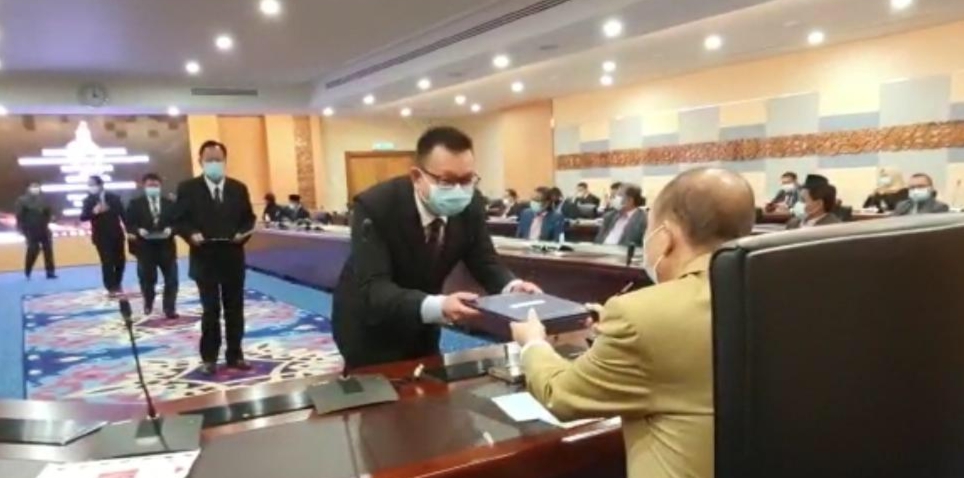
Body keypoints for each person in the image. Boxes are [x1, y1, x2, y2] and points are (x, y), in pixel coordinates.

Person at [510, 167, 756, 478]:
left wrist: (533, 343)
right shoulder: (781, 294)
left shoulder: (639, 314)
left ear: (664, 237)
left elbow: (560, 395)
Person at [331, 126, 541, 369]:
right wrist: (439, 305)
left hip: (424, 323)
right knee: (374, 389)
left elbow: (484, 260)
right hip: (369, 325)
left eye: (467, 179)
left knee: (427, 383)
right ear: (417, 176)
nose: (459, 191)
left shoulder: (471, 204)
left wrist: (512, 287)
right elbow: (374, 287)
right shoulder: (376, 206)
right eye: (446, 181)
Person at [174, 140, 256, 375]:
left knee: (235, 309)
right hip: (205, 258)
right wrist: (191, 234)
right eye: (209, 160)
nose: (214, 164)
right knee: (210, 310)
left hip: (232, 257)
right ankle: (209, 357)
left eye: (218, 160)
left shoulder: (238, 188)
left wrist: (243, 233)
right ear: (200, 161)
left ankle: (235, 354)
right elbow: (180, 220)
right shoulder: (188, 188)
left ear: (225, 161)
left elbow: (248, 218)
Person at [125, 173, 179, 318]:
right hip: (145, 248)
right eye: (150, 185)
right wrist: (138, 230)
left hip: (166, 246)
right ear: (144, 186)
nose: (153, 188)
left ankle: (169, 309)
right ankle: (148, 302)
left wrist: (171, 229)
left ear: (160, 186)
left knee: (172, 279)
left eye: (156, 185)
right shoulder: (135, 204)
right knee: (148, 280)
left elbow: (178, 222)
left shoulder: (169, 203)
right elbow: (129, 224)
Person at [80, 175, 126, 296]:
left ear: (100, 185)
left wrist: (130, 230)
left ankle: (117, 283)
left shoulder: (114, 197)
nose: (91, 187)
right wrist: (94, 212)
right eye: (89, 185)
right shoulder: (88, 200)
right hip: (100, 236)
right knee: (107, 262)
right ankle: (110, 287)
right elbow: (83, 217)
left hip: (116, 234)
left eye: (93, 184)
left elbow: (123, 214)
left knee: (120, 261)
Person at [15, 182, 57, 279]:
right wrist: (21, 229)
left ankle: (50, 272)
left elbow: (49, 213)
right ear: (29, 188)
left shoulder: (44, 200)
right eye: (33, 187)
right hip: (30, 229)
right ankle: (28, 269)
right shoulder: (22, 200)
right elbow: (19, 216)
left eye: (37, 187)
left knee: (48, 250)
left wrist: (50, 219)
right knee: (33, 249)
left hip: (44, 228)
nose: (35, 189)